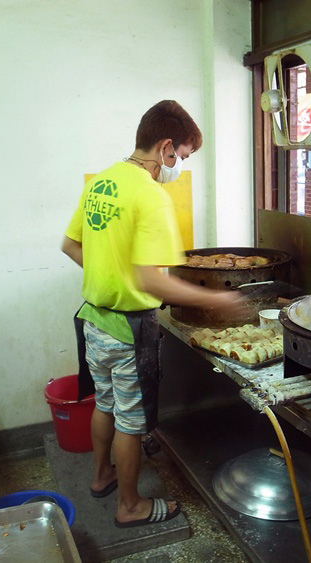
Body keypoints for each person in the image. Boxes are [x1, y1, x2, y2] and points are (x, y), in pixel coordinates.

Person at [62, 100, 246, 528]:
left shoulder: (102, 182)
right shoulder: (150, 194)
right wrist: (219, 300)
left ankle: (101, 476)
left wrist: (108, 273)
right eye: (181, 157)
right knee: (131, 422)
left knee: (104, 404)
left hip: (93, 319)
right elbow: (151, 281)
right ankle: (130, 506)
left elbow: (71, 245)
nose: (178, 165)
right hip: (127, 330)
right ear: (165, 147)